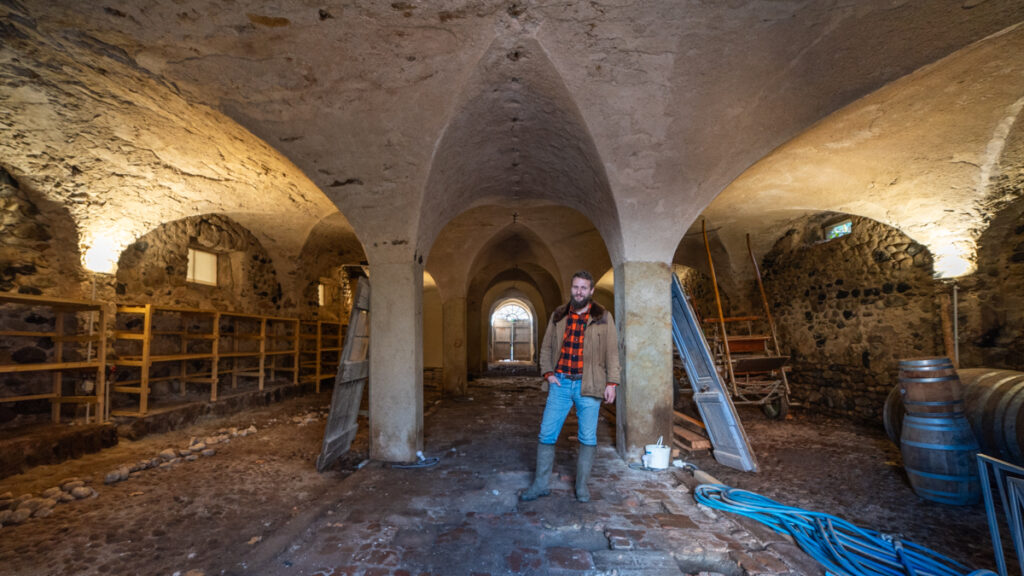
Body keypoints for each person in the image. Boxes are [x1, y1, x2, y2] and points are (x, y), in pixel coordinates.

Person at [520, 270, 621, 503]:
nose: (579, 292)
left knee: (588, 437)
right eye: (576, 287)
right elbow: (545, 347)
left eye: (584, 288)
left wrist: (612, 383)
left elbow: (612, 352)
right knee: (546, 433)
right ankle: (540, 484)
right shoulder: (558, 314)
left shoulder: (604, 317)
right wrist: (547, 373)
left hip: (590, 384)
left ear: (591, 291)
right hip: (561, 383)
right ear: (571, 289)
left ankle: (582, 487)